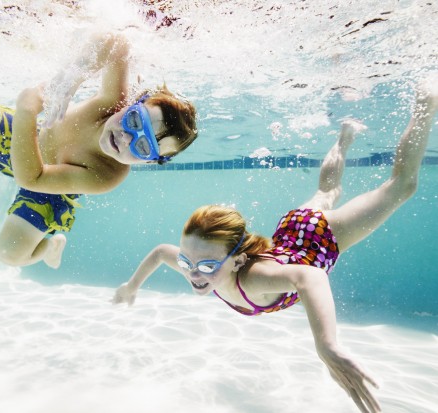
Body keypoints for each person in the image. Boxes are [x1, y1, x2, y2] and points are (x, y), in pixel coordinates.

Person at [112, 75, 438, 413]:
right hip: (290, 234)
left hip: (316, 239)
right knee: (326, 192)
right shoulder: (199, 264)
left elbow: (310, 277)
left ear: (238, 261)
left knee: (400, 187)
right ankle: (345, 135)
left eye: (207, 266)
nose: (194, 274)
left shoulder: (254, 278)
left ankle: (425, 102)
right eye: (187, 262)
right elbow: (161, 253)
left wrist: (326, 345)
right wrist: (132, 286)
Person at [0, 31, 198, 269]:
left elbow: (32, 178)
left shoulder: (108, 175)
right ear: (131, 104)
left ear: (150, 161)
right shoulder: (109, 104)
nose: (126, 138)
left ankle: (46, 249)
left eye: (142, 146)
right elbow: (116, 42)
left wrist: (25, 112)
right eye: (134, 120)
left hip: (48, 187)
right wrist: (69, 81)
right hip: (35, 138)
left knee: (8, 252)